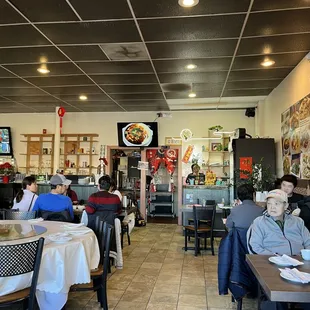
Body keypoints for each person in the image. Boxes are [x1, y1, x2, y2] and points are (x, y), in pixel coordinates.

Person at [247, 189, 310, 310]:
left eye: (277, 203)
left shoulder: (298, 222)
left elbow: (308, 242)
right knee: (274, 301)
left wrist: (303, 258)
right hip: (272, 267)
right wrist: (275, 257)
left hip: (301, 266)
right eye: (269, 204)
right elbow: (254, 247)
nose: (272, 207)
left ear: (286, 205)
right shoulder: (259, 223)